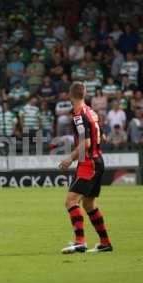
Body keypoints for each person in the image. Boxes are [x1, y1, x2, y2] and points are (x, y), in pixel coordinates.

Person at [59, 82, 112, 254]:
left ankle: (79, 241)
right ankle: (105, 243)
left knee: (71, 201)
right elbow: (102, 136)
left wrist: (69, 159)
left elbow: (86, 143)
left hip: (88, 163)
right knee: (89, 204)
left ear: (69, 95)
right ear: (85, 93)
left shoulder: (78, 115)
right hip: (98, 161)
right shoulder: (92, 112)